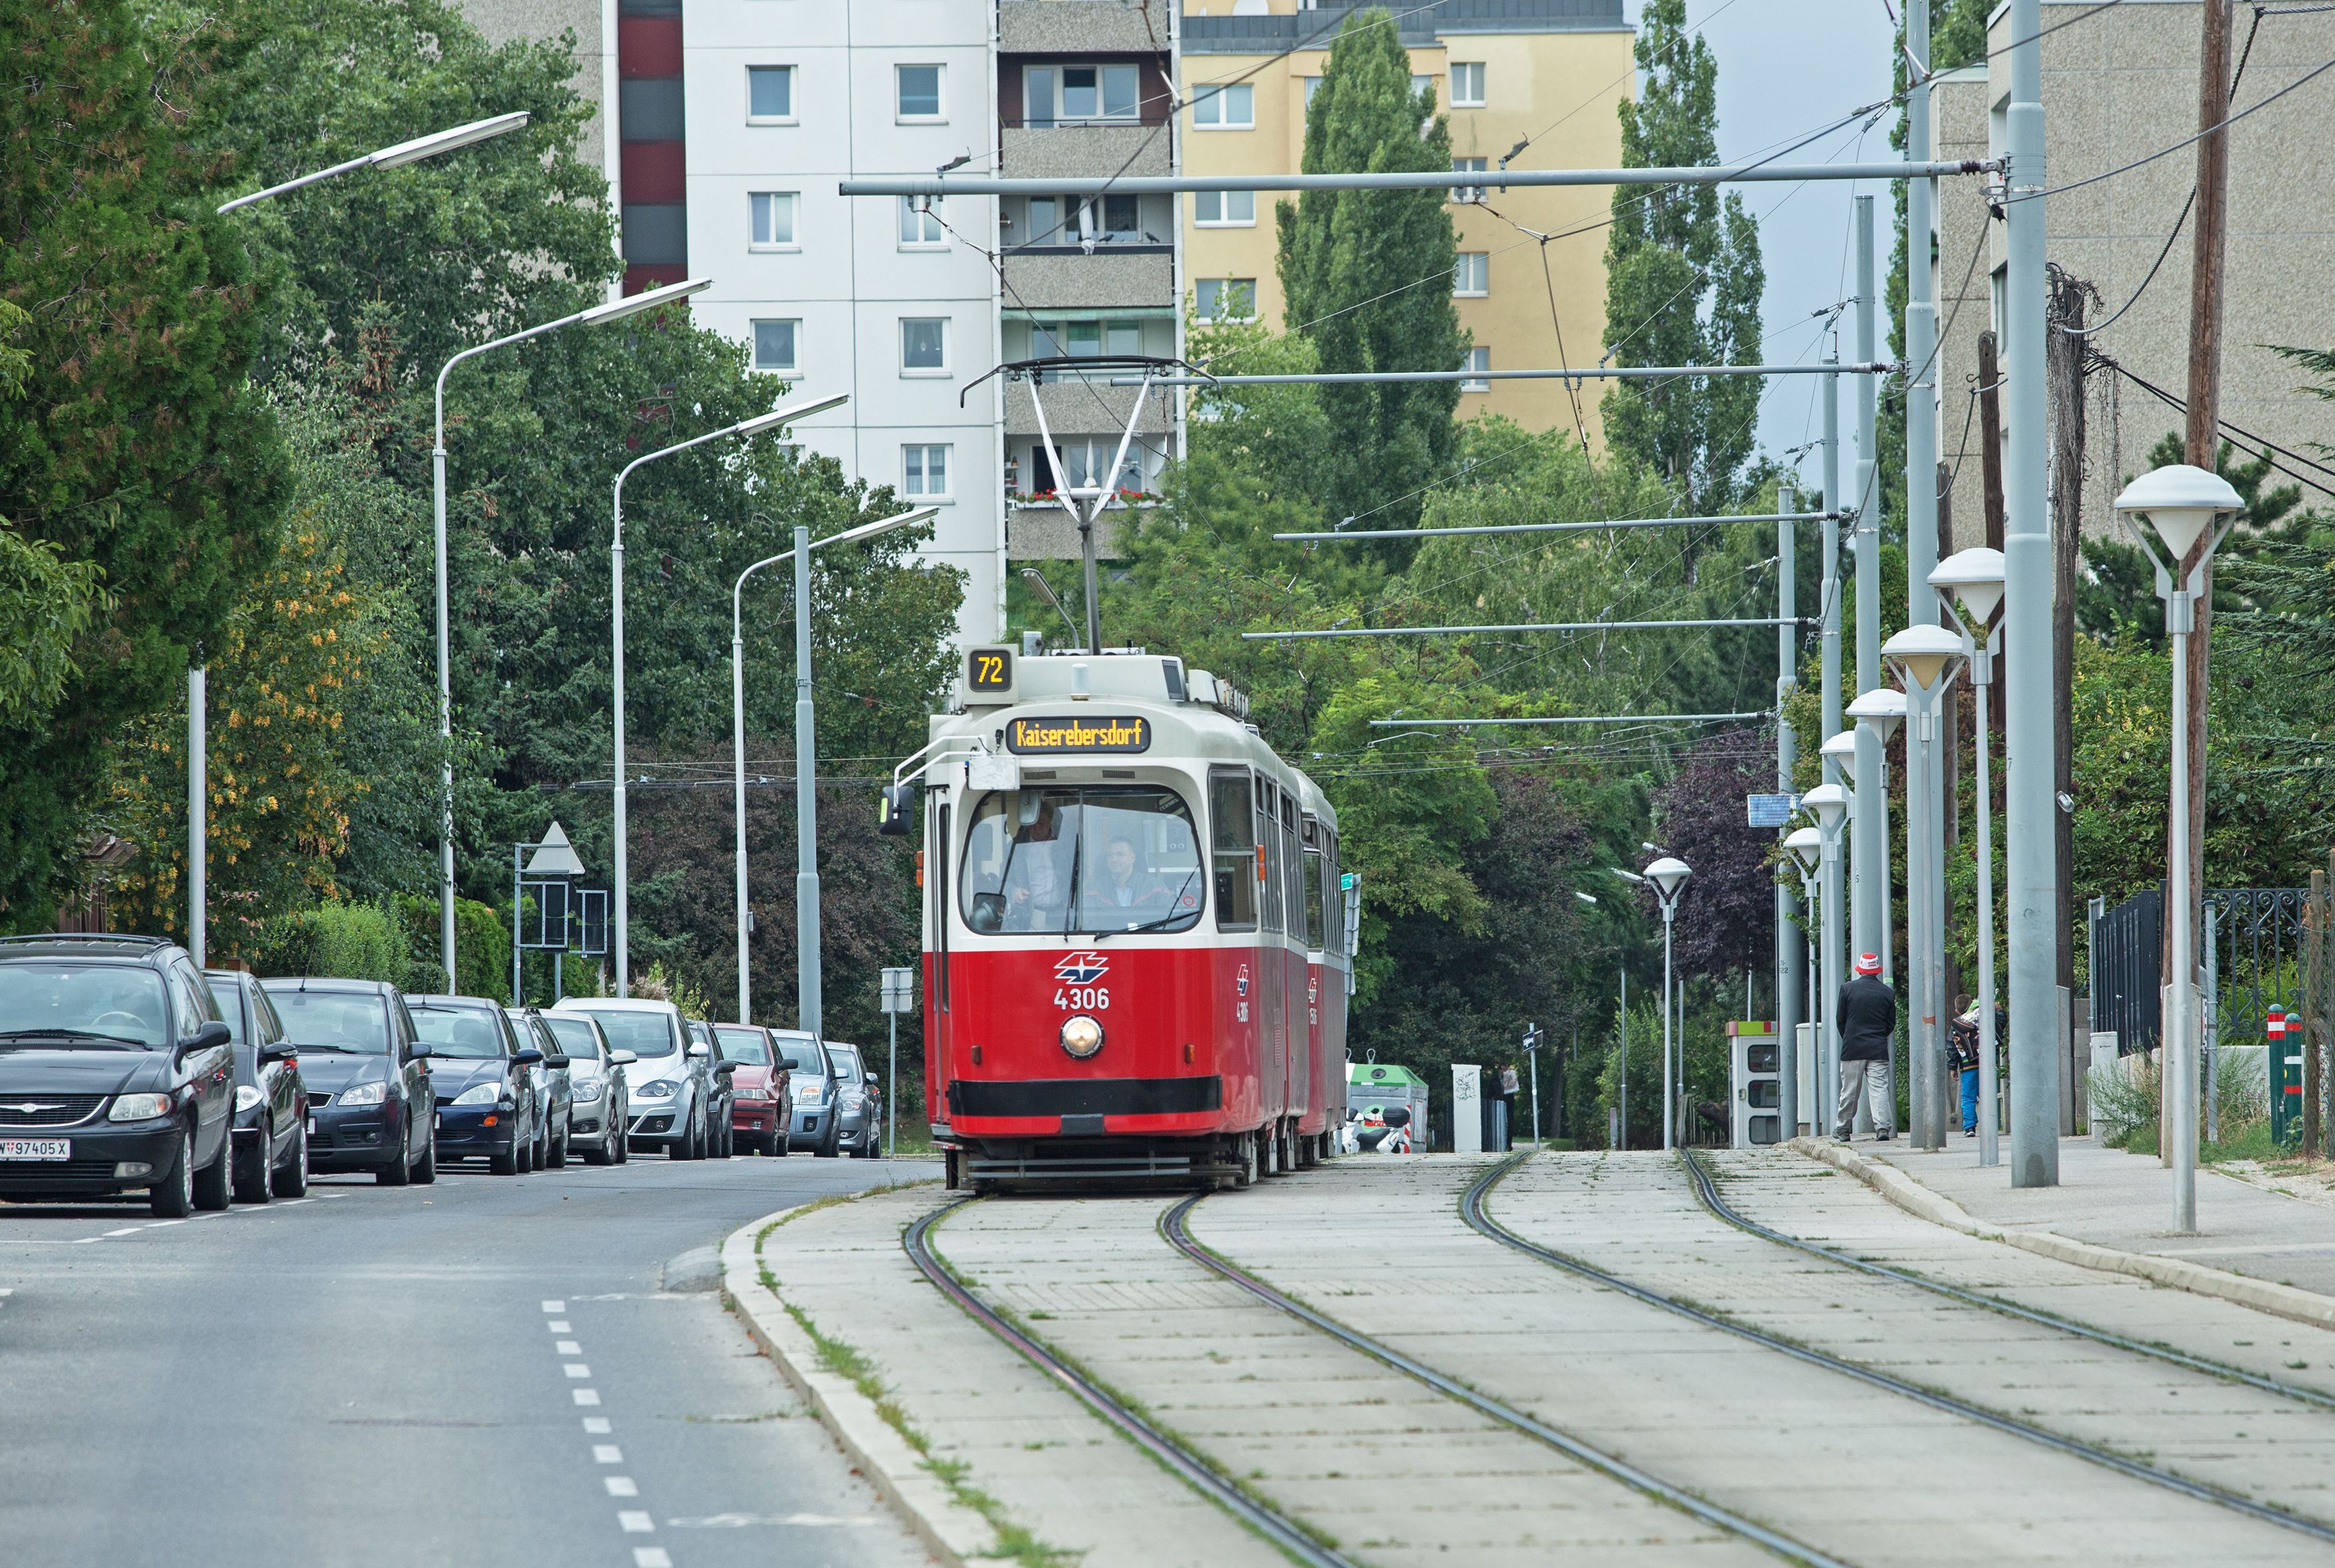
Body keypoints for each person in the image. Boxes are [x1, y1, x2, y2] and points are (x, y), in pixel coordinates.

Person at [1835, 952, 1897, 1141]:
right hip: (1878, 1048)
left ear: (1860, 969)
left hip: (1852, 1048)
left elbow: (1841, 1020)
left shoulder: (1847, 989)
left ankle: (1843, 1129)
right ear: (1877, 970)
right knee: (1879, 1089)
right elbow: (1890, 1024)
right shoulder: (1887, 993)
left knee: (1850, 1090)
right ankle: (1883, 1128)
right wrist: (1878, 1036)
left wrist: (1849, 1037)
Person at [1948, 993, 1981, 1136]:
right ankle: (1991, 1122)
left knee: (1968, 1096)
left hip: (1968, 1066)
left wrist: (1952, 1067)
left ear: (1957, 1010)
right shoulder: (1981, 1017)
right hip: (1987, 1063)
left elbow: (1952, 1046)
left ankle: (1970, 1127)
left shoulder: (1957, 1023)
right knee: (1987, 1094)